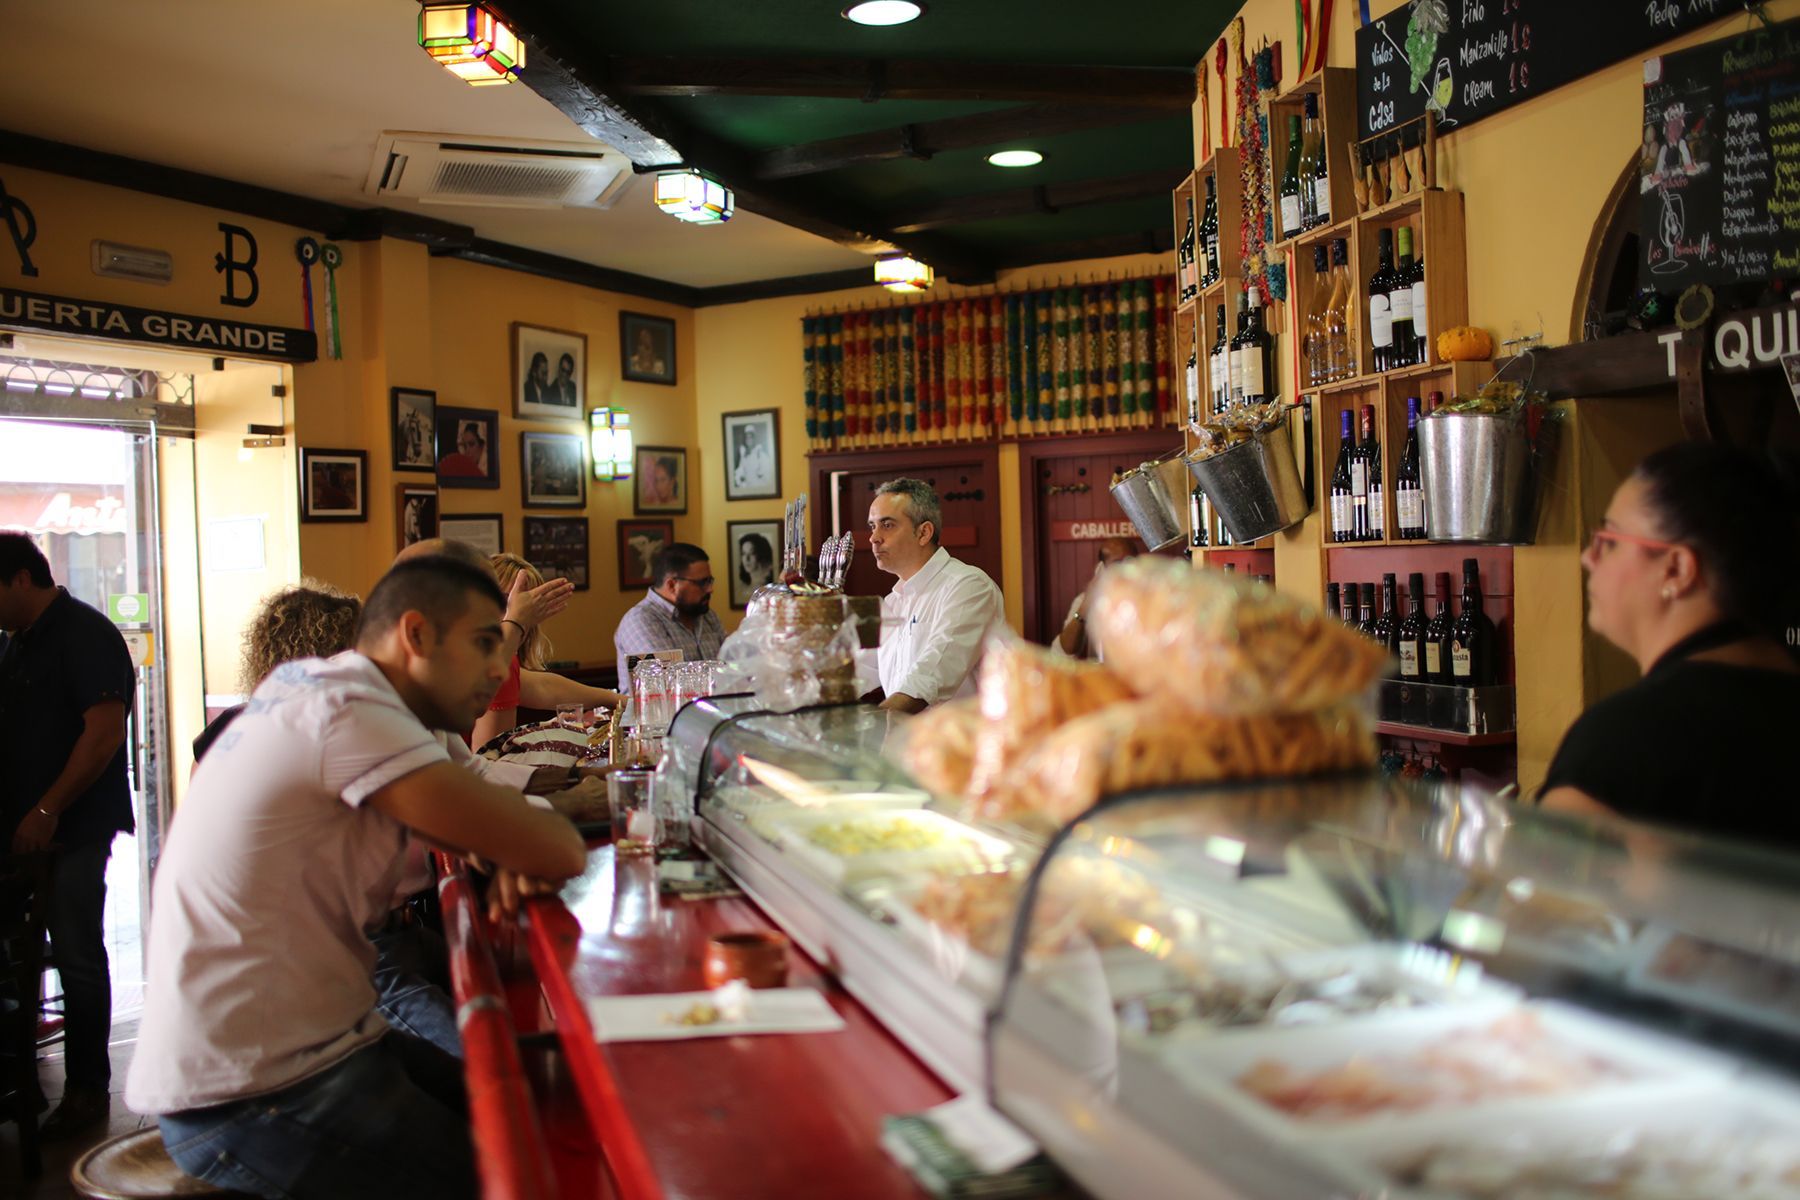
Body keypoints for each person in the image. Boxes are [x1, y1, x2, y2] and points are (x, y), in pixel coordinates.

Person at [127, 556, 586, 1200]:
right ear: (417, 635)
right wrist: (511, 846)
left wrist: (501, 843)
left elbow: (500, 824)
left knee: (530, 1109)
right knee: (521, 1176)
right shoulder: (347, 709)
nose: (498, 669)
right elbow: (557, 848)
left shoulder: (314, 687)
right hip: (252, 1089)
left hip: (317, 1049)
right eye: (486, 642)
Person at [1540, 442, 1800, 848]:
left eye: (1609, 541)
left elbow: (1534, 903)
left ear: (1676, 569)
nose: (1588, 559)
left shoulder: (1623, 739)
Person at [0, 530, 136, 1139]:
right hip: (28, 831)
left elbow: (103, 735)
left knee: (78, 956)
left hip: (74, 828)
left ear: (21, 579)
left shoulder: (85, 634)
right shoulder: (17, 643)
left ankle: (87, 1090)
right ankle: (21, 1081)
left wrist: (49, 809)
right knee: (24, 958)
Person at [867, 478, 1003, 713]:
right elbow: (862, 670)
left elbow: (931, 674)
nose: (874, 538)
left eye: (887, 525)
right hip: (905, 745)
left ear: (923, 532)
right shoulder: (892, 602)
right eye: (872, 526)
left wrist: (876, 725)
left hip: (962, 745)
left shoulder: (968, 586)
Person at [473, 552, 622, 748]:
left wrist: (615, 699)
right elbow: (489, 758)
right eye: (509, 603)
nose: (523, 615)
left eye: (529, 606)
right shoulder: (492, 663)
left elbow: (541, 686)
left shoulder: (504, 662)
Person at [614, 542, 725, 694]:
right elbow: (668, 686)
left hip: (710, 713)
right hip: (659, 716)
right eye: (702, 583)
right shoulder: (641, 620)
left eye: (710, 581)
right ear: (672, 585)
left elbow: (732, 667)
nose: (710, 589)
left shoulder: (707, 616)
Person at [1054, 537, 1136, 660]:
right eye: (1117, 564)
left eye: (1130, 562)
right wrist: (1086, 605)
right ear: (1102, 569)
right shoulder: (1084, 601)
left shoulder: (1153, 598)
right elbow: (1064, 653)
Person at [732, 426, 773, 493]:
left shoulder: (762, 455)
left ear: (754, 439)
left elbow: (768, 477)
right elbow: (739, 473)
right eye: (747, 438)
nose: (749, 440)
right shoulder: (744, 456)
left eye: (750, 437)